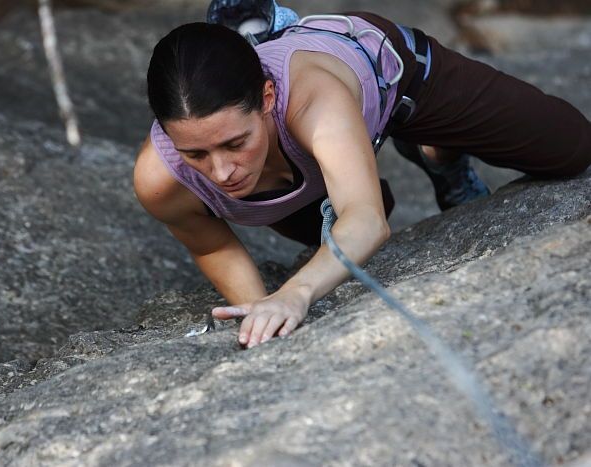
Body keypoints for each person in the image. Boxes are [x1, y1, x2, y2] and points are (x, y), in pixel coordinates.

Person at [134, 2, 591, 349]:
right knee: (350, 227)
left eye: (235, 143)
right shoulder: (162, 180)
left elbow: (365, 220)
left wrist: (296, 294)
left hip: (401, 84)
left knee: (573, 149)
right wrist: (259, 313)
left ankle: (439, 153)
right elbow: (213, 242)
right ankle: (249, 36)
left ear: (268, 97)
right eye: (195, 152)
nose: (222, 172)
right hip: (300, 170)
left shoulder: (313, 98)